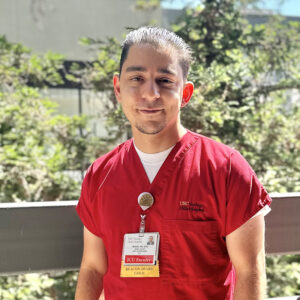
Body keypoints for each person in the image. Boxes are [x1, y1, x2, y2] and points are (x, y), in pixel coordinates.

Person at [75, 27, 272, 300]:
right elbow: (93, 269)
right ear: (118, 88)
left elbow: (250, 272)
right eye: (137, 78)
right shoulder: (100, 174)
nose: (151, 93)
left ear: (186, 93)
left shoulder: (226, 169)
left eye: (165, 80)